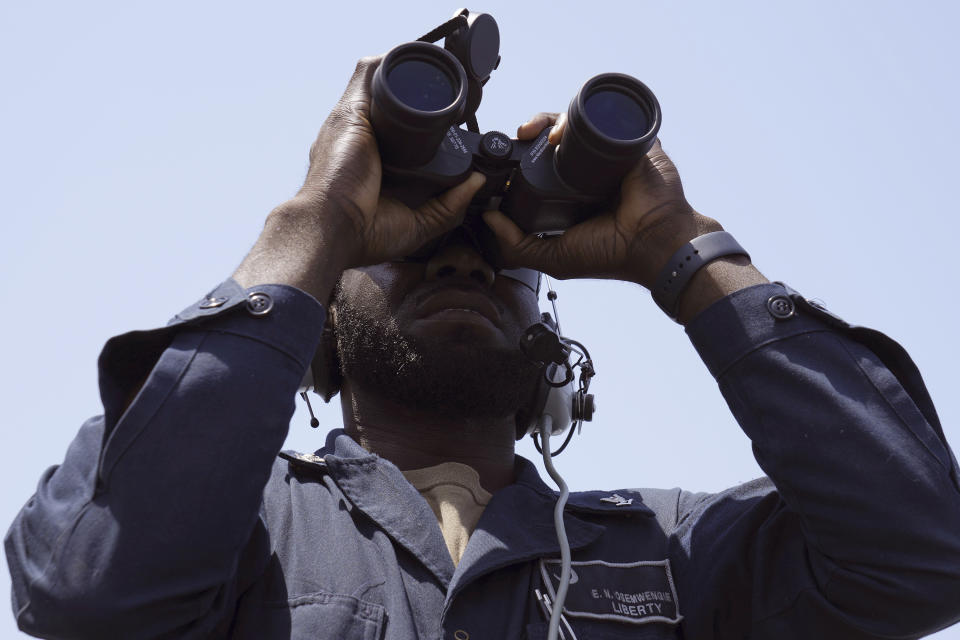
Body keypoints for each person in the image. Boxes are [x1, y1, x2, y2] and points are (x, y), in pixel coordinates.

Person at [6, 55, 960, 640]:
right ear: (321, 322)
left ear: (553, 339)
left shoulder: (672, 555)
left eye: (497, 259)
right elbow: (90, 590)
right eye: (411, 248)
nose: (461, 267)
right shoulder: (239, 528)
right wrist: (315, 222)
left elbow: (920, 555)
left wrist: (685, 251)